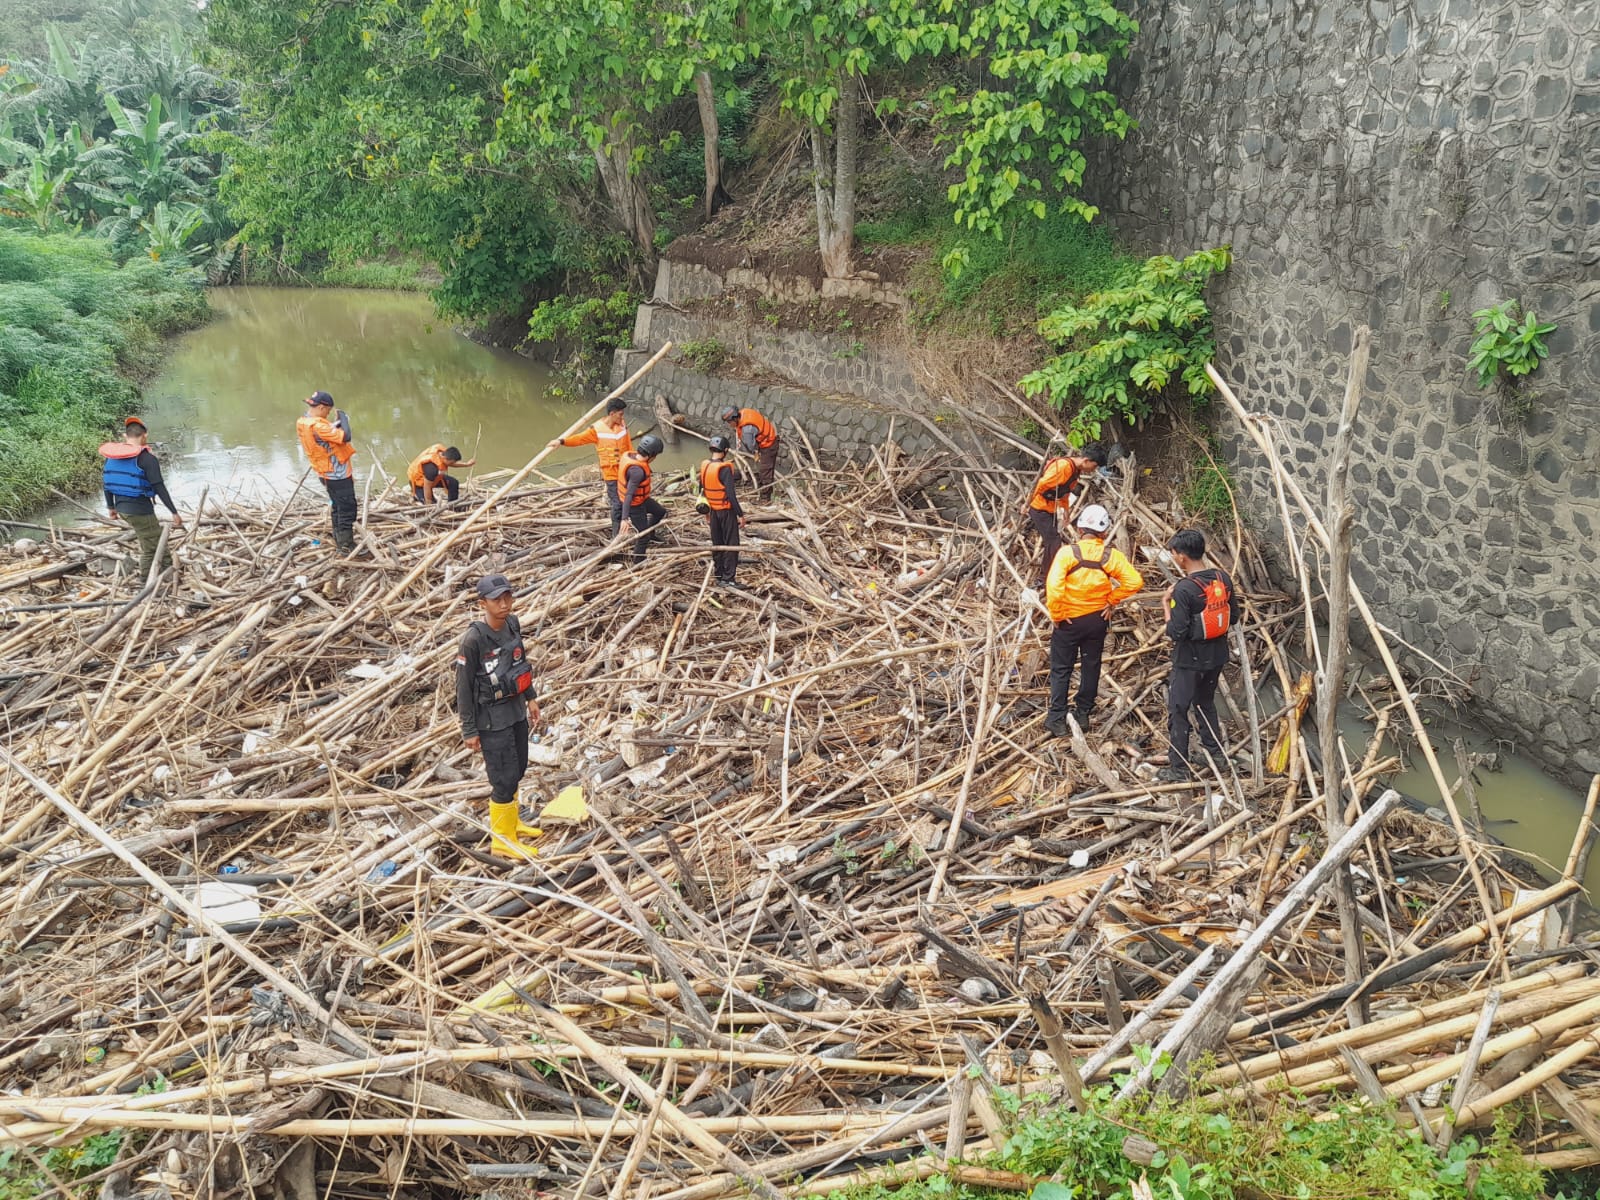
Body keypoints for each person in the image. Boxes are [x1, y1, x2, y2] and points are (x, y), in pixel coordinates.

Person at [456, 574, 543, 860]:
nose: (504, 604)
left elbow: (519, 662)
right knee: (502, 779)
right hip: (491, 720)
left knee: (518, 769)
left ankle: (513, 823)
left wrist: (530, 697)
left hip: (515, 709)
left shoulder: (513, 625)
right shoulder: (473, 640)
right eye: (497, 600)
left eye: (508, 597)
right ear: (483, 603)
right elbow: (464, 688)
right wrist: (469, 730)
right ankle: (502, 839)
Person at [1043, 503, 1143, 737]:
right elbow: (1135, 582)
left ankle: (1057, 718)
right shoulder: (1112, 556)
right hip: (1097, 619)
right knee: (1091, 665)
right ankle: (1083, 713)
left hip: (1068, 621)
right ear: (1105, 533)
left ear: (1079, 530)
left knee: (1061, 668)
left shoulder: (1067, 553)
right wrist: (1112, 599)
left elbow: (1054, 588)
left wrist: (1057, 615)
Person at [1158, 528, 1242, 782]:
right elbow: (1234, 616)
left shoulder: (1183, 589)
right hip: (1216, 656)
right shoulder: (1222, 578)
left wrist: (1165, 605)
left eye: (1173, 553)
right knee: (1205, 703)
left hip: (1189, 660)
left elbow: (1176, 631)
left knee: (1178, 709)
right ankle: (1216, 754)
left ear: (1181, 556)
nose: (1173, 557)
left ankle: (1179, 767)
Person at [101, 417, 183, 579]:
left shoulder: (113, 457)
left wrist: (111, 508)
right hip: (139, 510)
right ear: (145, 436)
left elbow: (107, 483)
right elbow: (159, 486)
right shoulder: (147, 459)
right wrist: (174, 512)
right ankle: (145, 581)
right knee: (150, 548)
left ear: (125, 436)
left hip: (122, 508)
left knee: (156, 538)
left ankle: (169, 575)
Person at [1027, 444, 1108, 589]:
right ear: (1086, 461)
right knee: (1053, 541)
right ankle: (1044, 578)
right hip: (1039, 507)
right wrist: (1027, 503)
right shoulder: (1064, 467)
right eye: (1094, 466)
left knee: (1052, 541)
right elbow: (1041, 484)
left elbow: (1064, 492)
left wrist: (1066, 511)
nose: (1093, 470)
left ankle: (1050, 572)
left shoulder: (1075, 471)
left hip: (1050, 509)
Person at [550, 398, 632, 535]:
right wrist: (562, 441)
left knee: (630, 499)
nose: (622, 417)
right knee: (617, 504)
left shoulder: (622, 425)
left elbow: (629, 445)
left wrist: (637, 463)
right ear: (612, 414)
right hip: (610, 473)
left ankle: (632, 525)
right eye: (620, 414)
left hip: (625, 469)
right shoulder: (597, 430)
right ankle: (616, 535)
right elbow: (580, 439)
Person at [296, 390, 358, 553]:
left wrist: (335, 424)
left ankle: (339, 538)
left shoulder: (304, 422)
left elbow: (325, 436)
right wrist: (343, 418)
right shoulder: (318, 426)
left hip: (324, 473)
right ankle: (346, 546)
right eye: (328, 411)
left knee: (337, 505)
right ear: (322, 407)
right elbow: (346, 436)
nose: (328, 415)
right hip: (337, 475)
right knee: (347, 508)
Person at [696, 435, 747, 587]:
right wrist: (740, 514)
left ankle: (718, 574)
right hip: (725, 511)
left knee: (717, 542)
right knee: (732, 544)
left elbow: (702, 490)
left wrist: (706, 513)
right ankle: (729, 579)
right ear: (725, 451)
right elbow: (731, 495)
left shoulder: (705, 465)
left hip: (712, 511)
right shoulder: (724, 468)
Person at [617, 434, 666, 564]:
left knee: (660, 511)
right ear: (651, 455)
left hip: (642, 499)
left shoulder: (631, 455)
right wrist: (624, 518)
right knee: (642, 536)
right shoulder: (637, 471)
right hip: (634, 505)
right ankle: (638, 560)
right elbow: (628, 495)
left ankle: (652, 535)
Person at [720, 405, 780, 500]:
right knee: (762, 469)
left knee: (765, 470)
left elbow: (750, 446)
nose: (729, 424)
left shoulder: (747, 429)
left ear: (734, 418)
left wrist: (755, 452)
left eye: (729, 422)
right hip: (766, 438)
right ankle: (759, 484)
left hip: (769, 444)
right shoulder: (744, 413)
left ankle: (765, 497)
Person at [409, 443, 476, 504]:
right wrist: (428, 504)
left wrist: (466, 464)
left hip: (436, 477)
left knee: (453, 483)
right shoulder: (431, 468)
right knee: (432, 503)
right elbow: (427, 487)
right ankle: (417, 496)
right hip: (420, 483)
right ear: (444, 458)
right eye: (451, 463)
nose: (453, 464)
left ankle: (452, 505)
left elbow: (450, 463)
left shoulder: (443, 453)